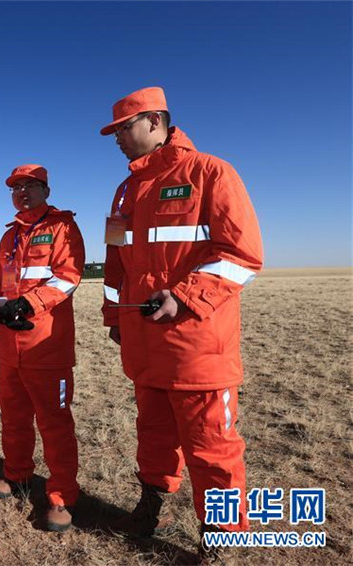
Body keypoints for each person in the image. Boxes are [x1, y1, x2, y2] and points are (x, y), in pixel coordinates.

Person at [99, 86, 263, 555]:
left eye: (122, 129)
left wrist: (186, 297)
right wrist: (115, 314)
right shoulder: (125, 190)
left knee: (212, 447)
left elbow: (242, 254)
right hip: (143, 343)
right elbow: (116, 261)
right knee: (152, 433)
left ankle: (223, 539)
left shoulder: (211, 172)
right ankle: (152, 504)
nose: (116, 140)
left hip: (197, 344)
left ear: (155, 122)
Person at [0, 164, 86, 532]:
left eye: (30, 186)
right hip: (11, 345)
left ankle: (62, 496)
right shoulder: (8, 236)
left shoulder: (62, 227)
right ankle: (17, 474)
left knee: (54, 422)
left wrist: (28, 305)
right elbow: (3, 283)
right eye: (16, 188)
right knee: (13, 417)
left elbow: (68, 277)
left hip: (47, 344)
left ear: (46, 189)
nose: (22, 193)